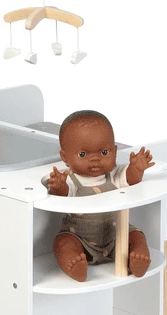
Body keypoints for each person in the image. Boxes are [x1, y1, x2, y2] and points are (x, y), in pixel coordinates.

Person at [48, 110, 154, 281]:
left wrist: (137, 169)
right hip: (79, 238)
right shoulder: (71, 179)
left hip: (115, 235)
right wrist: (58, 186)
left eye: (104, 152)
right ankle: (74, 265)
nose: (95, 159)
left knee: (136, 235)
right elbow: (64, 193)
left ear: (115, 151)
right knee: (62, 243)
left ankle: (137, 257)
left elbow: (130, 179)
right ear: (65, 157)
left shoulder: (114, 174)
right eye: (83, 154)